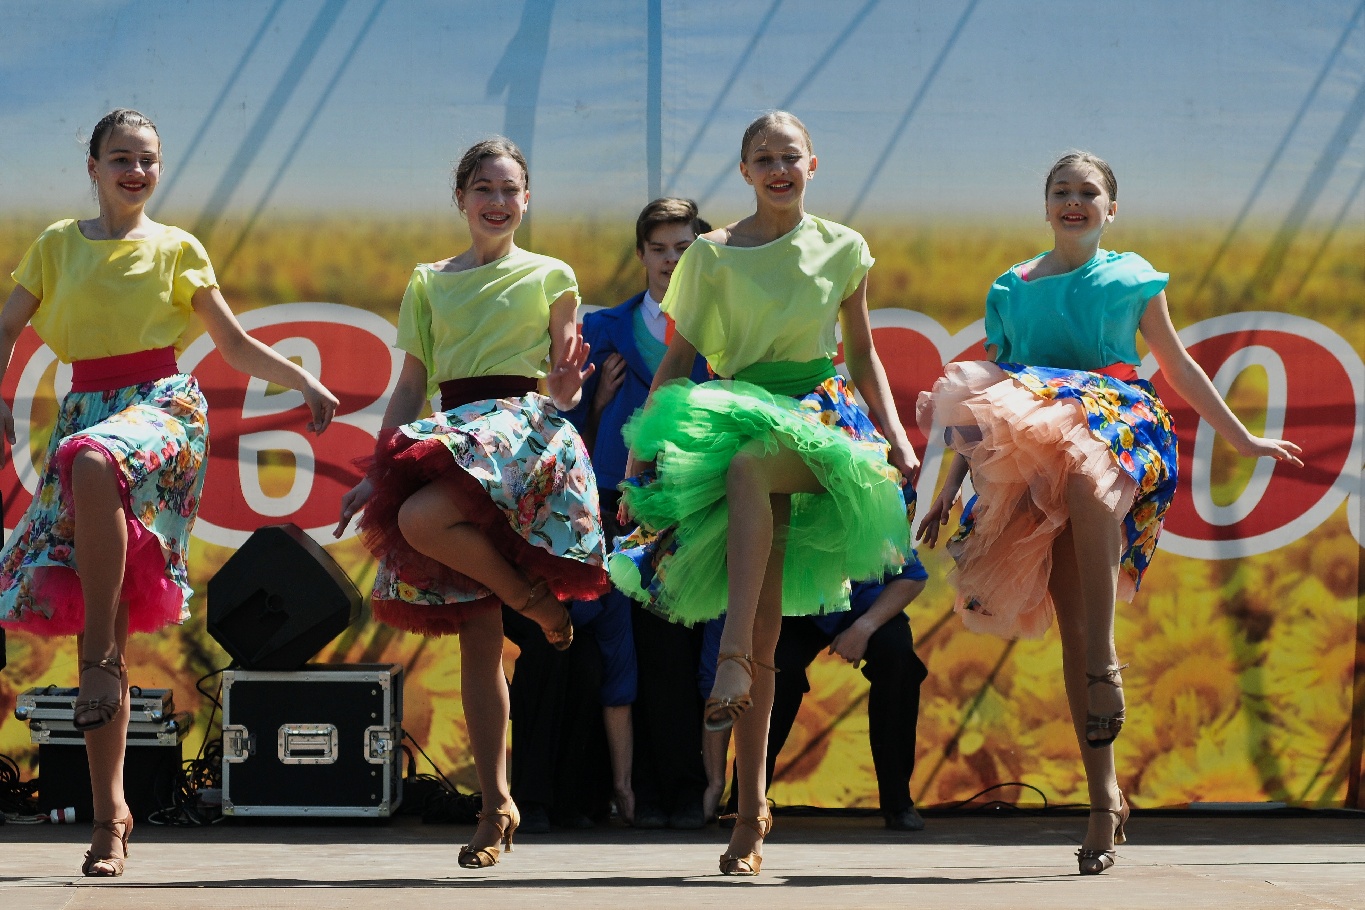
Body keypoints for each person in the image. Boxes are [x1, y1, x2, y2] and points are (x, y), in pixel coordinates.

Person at [915, 151, 1303, 875]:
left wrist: (1241, 437)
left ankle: (1105, 659)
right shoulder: (1012, 287)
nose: (1074, 201)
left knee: (1091, 484)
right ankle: (1104, 800)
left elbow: (1178, 364)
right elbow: (989, 402)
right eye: (1061, 191)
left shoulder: (1130, 277)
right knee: (1070, 622)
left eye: (1087, 192)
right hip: (1032, 450)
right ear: (1045, 207)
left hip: (1115, 421)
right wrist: (949, 485)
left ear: (1110, 209)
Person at [0, 108, 338, 877]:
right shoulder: (56, 245)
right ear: (92, 166)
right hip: (87, 409)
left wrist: (304, 379)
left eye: (148, 159)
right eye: (121, 158)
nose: (137, 171)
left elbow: (234, 344)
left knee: (93, 463)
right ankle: (110, 819)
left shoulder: (178, 248)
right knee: (106, 603)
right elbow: (8, 326)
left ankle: (96, 660)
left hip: (161, 411)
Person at [612, 111, 918, 876]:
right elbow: (678, 360)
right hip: (736, 410)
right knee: (767, 626)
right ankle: (750, 816)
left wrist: (897, 435)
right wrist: (639, 459)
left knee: (751, 470)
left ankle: (729, 659)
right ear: (744, 171)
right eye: (763, 158)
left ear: (812, 164)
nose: (778, 169)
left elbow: (863, 354)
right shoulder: (710, 256)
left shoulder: (842, 247)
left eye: (789, 156)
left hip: (819, 419)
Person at [335, 137, 610, 868]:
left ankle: (536, 604)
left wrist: (565, 392)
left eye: (510, 189)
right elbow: (411, 382)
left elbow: (562, 374)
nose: (497, 201)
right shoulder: (429, 281)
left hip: (518, 436)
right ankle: (496, 805)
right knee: (478, 641)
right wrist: (377, 470)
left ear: (527, 200)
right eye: (483, 188)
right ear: (460, 198)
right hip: (452, 434)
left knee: (422, 519)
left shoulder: (551, 273)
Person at [565, 198, 713, 829]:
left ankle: (688, 790)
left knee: (684, 652)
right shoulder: (604, 328)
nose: (671, 261)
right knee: (629, 654)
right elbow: (568, 426)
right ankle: (635, 792)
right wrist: (597, 403)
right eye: (659, 249)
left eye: (684, 249)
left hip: (698, 508)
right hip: (619, 508)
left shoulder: (722, 328)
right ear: (641, 255)